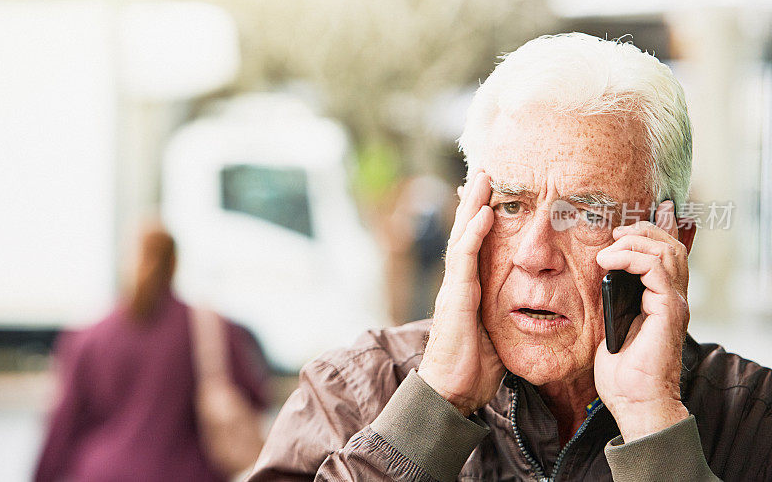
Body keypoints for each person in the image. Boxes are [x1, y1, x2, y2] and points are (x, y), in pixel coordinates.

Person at [247, 33, 772, 481]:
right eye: (512, 205)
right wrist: (432, 408)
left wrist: (654, 427)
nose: (534, 254)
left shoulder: (753, 419)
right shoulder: (357, 392)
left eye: (587, 214)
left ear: (673, 242)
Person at [34, 226, 270, 482]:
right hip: (187, 474)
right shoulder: (212, 329)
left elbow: (61, 426)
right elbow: (256, 398)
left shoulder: (88, 337)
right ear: (174, 263)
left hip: (102, 473)